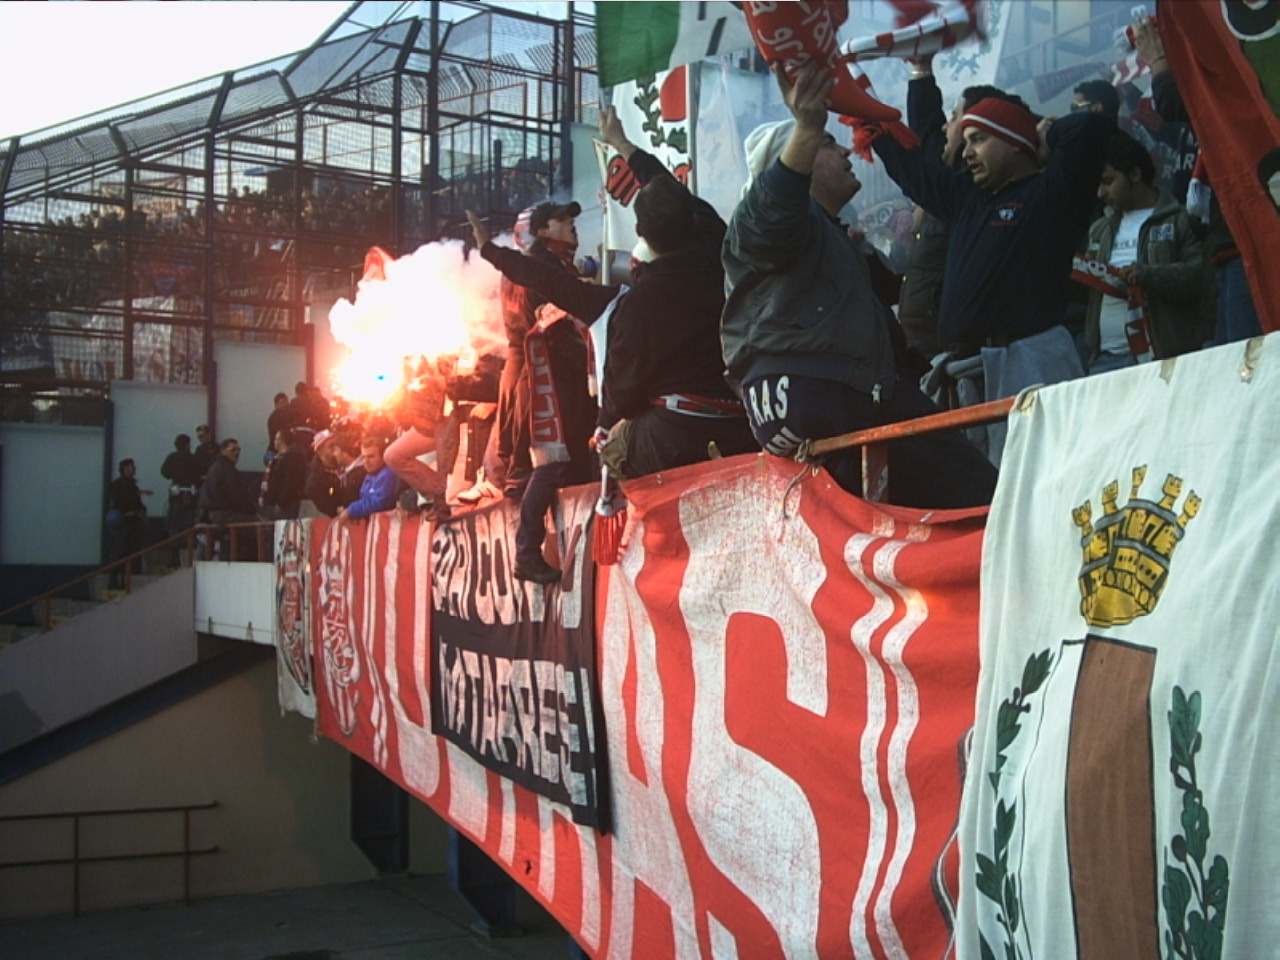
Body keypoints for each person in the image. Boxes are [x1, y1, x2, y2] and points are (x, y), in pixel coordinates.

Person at [721, 63, 997, 508]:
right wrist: (808, 127)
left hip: (805, 400)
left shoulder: (827, 238)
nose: (848, 153)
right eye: (830, 145)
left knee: (881, 523)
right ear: (796, 160)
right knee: (981, 498)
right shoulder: (763, 217)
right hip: (828, 392)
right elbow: (768, 217)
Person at [467, 105, 757, 480]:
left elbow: (620, 387)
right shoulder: (717, 256)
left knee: (612, 451)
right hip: (743, 427)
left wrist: (491, 251)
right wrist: (621, 143)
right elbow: (674, 195)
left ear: (640, 235)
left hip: (672, 438)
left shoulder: (631, 305)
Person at [870, 56, 1114, 357]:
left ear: (1013, 141)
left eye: (979, 139)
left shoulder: (1052, 193)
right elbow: (913, 167)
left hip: (1030, 362)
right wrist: (869, 124)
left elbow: (1088, 128)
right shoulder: (966, 199)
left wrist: (1041, 134)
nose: (968, 152)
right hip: (969, 366)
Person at [1132, 13, 1262, 348]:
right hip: (1230, 248)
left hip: (1247, 245)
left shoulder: (1251, 61)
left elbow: (1187, 100)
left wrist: (1160, 61)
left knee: (1248, 369)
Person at [1081, 131, 1207, 374]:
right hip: (1105, 361)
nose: (1100, 193)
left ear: (1135, 174)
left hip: (1164, 360)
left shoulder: (1179, 220)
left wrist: (1148, 275)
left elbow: (1199, 277)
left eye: (1107, 182)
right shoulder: (1099, 230)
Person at [494, 199, 584, 500]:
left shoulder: (513, 273)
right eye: (562, 219)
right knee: (558, 473)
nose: (572, 223)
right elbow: (561, 335)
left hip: (525, 385)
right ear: (542, 230)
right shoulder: (545, 270)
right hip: (552, 389)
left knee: (531, 475)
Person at [107, 458, 150, 586]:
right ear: (125, 469)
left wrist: (141, 510)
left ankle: (123, 580)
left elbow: (138, 504)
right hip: (123, 522)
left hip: (133, 522)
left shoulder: (132, 486)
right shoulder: (118, 486)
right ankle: (114, 581)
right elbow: (118, 503)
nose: (134, 469)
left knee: (128, 551)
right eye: (131, 467)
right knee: (120, 551)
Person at [302, 430, 365, 518]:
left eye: (336, 444)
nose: (336, 449)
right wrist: (338, 509)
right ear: (320, 451)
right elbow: (329, 506)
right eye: (331, 446)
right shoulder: (316, 481)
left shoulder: (344, 465)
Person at [338, 435, 399, 521]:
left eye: (371, 456)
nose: (366, 461)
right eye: (363, 457)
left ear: (383, 456)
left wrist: (351, 510)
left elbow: (380, 502)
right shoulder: (369, 475)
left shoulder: (388, 474)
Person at [198, 438, 257, 524]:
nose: (237, 453)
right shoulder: (227, 469)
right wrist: (252, 510)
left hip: (211, 515)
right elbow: (236, 495)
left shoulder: (217, 466)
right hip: (222, 515)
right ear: (223, 451)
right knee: (262, 526)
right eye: (233, 450)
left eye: (238, 450)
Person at [259, 429, 308, 519]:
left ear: (281, 441)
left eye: (276, 439)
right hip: (277, 503)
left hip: (285, 506)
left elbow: (290, 483)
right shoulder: (279, 458)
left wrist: (281, 503)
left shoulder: (291, 459)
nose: (274, 442)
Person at [160, 433, 201, 538]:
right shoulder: (194, 458)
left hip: (176, 489)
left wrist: (175, 474)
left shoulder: (172, 457)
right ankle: (188, 540)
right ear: (187, 445)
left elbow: (164, 472)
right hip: (190, 489)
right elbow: (199, 474)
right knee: (190, 516)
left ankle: (174, 539)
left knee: (174, 516)